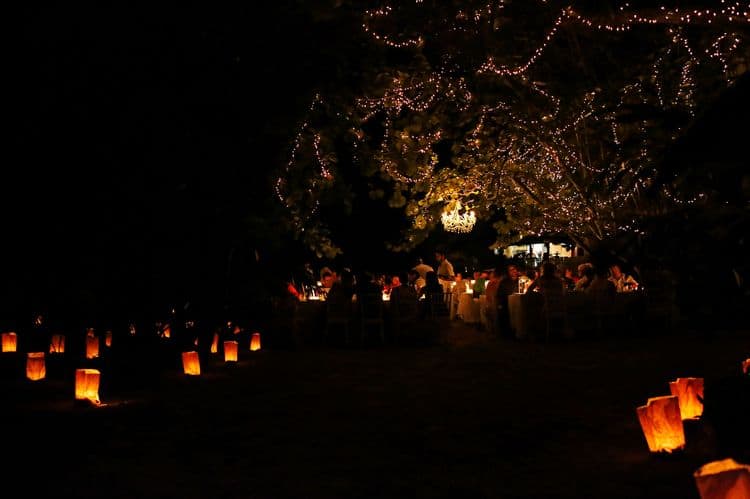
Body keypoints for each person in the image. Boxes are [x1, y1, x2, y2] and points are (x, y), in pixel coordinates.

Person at [496, 264, 520, 338]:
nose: (513, 271)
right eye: (511, 270)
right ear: (508, 272)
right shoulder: (504, 282)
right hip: (506, 302)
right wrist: (500, 304)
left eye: (514, 269)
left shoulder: (521, 280)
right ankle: (508, 332)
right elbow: (499, 294)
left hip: (519, 302)